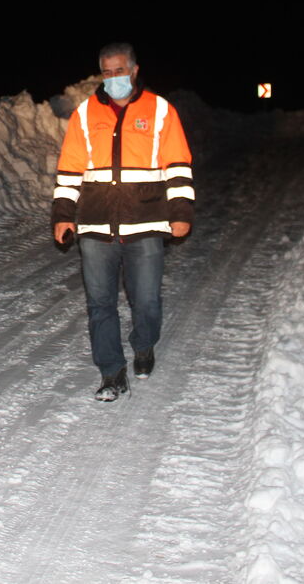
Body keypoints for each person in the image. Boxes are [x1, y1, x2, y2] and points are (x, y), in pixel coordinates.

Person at [52, 42, 194, 401]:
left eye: (120, 70)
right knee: (99, 303)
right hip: (97, 226)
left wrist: (180, 212)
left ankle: (144, 345)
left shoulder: (160, 111)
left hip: (145, 223)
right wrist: (63, 215)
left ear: (133, 70)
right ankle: (111, 372)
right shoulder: (85, 114)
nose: (114, 78)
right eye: (107, 72)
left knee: (145, 301)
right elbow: (69, 171)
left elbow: (177, 166)